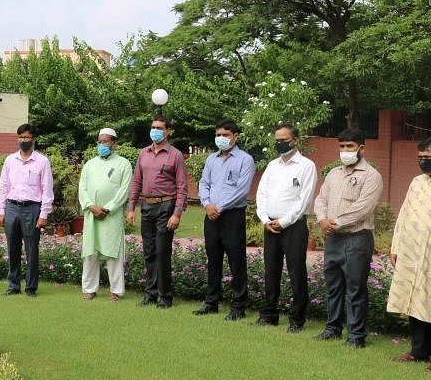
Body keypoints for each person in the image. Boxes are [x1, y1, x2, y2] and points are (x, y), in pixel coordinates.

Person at [313, 127, 383, 348]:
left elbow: (363, 208)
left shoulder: (371, 176)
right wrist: (322, 219)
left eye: (349, 146)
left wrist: (335, 223)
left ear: (361, 148)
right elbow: (320, 199)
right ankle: (332, 328)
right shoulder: (334, 174)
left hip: (357, 238)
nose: (345, 151)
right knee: (333, 286)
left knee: (355, 288)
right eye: (342, 146)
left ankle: (356, 336)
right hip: (333, 238)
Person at [386, 136, 431, 372]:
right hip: (413, 254)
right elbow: (404, 214)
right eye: (420, 157)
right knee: (415, 301)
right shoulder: (416, 182)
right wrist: (397, 246)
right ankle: (419, 351)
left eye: (428, 157)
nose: (423, 161)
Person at [253, 123, 317, 333]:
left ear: (295, 140)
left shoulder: (306, 166)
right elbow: (261, 194)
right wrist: (265, 219)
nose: (280, 144)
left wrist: (284, 221)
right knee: (271, 271)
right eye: (277, 141)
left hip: (293, 227)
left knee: (296, 272)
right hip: (270, 225)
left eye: (284, 140)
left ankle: (297, 319)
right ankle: (269, 314)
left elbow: (304, 200)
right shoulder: (272, 165)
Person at [126, 116, 189, 308]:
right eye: (153, 127)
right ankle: (150, 294)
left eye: (159, 128)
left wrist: (177, 213)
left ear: (167, 131)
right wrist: (131, 208)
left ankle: (165, 296)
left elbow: (182, 186)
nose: (155, 131)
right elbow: (136, 182)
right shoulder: (143, 153)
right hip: (147, 206)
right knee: (149, 252)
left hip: (166, 206)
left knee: (162, 252)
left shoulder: (175, 155)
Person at [194, 120, 255, 320]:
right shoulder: (212, 159)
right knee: (213, 260)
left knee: (236, 261)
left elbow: (241, 190)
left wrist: (219, 207)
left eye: (225, 135)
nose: (221, 138)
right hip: (211, 215)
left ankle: (238, 306)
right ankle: (211, 302)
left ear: (235, 136)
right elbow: (204, 183)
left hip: (231, 216)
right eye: (218, 135)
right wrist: (207, 204)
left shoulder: (245, 160)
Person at [0, 123, 54, 297]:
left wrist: (43, 214)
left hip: (32, 209)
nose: (24, 140)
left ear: (34, 139)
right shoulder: (10, 160)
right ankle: (13, 285)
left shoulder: (42, 161)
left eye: (27, 137)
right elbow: (4, 186)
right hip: (12, 207)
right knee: (12, 249)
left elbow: (47, 189)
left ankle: (30, 287)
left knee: (31, 249)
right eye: (21, 137)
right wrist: (2, 209)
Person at [78, 128, 132, 301]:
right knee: (90, 253)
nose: (102, 145)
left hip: (111, 216)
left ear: (114, 143)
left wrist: (108, 208)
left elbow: (124, 190)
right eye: (100, 142)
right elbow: (82, 189)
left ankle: (116, 290)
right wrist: (90, 206)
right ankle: (89, 289)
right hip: (91, 215)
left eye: (106, 142)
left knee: (112, 253)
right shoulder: (89, 164)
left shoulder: (123, 164)